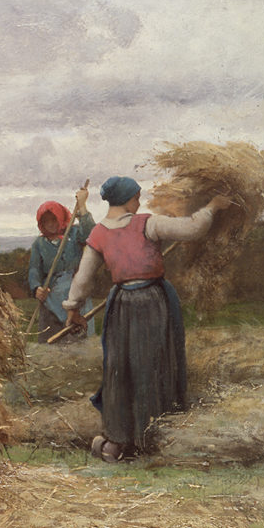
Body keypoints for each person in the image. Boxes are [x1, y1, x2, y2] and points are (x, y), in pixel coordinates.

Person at [62, 175, 232, 462]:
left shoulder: (99, 234)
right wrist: (213, 207)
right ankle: (145, 439)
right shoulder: (147, 223)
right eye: (137, 196)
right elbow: (193, 228)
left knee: (122, 369)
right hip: (151, 303)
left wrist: (72, 308)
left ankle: (119, 441)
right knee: (150, 365)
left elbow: (83, 278)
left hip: (122, 306)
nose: (139, 201)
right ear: (129, 198)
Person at [28, 185, 95, 342]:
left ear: (61, 217)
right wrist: (36, 288)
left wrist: (83, 206)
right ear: (41, 224)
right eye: (46, 221)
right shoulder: (39, 243)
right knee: (54, 340)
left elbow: (91, 233)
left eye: (54, 219)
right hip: (52, 294)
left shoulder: (73, 233)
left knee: (80, 336)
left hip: (76, 290)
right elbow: (34, 269)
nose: (51, 224)